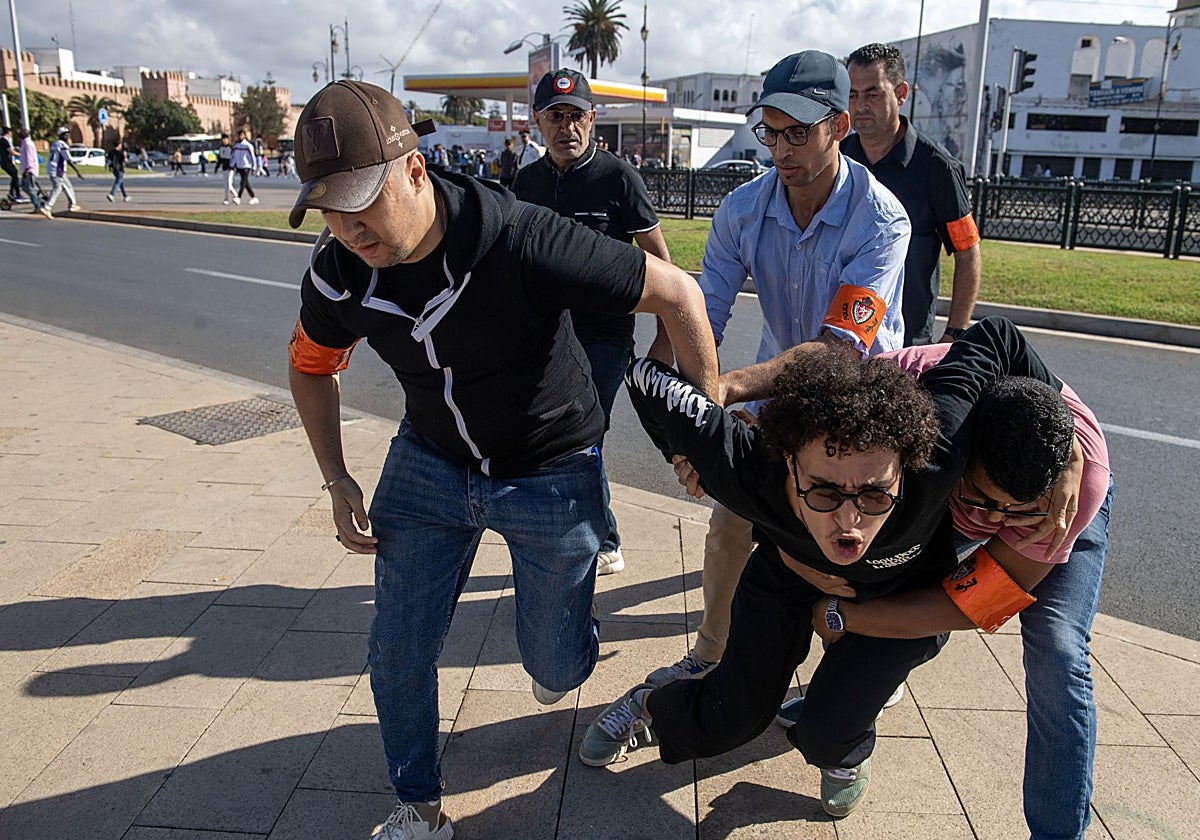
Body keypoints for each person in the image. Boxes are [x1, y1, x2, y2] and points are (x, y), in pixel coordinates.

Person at [284, 79, 719, 840]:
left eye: (361, 202)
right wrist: (336, 475)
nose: (348, 228)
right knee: (396, 647)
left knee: (554, 667)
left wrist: (705, 440)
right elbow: (311, 363)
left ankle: (570, 641)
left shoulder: (521, 236)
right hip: (430, 462)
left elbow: (681, 295)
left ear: (415, 171)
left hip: (550, 466)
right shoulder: (338, 271)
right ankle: (417, 804)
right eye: (329, 208)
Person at [581, 317, 1079, 820]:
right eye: (823, 491)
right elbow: (645, 378)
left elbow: (998, 336)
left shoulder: (939, 451)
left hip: (900, 591)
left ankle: (844, 751)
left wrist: (1071, 448)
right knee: (729, 720)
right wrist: (683, 449)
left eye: (874, 493)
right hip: (788, 575)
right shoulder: (749, 470)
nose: (849, 520)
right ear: (789, 464)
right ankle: (648, 704)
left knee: (828, 733)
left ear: (907, 464)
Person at [643, 50, 909, 688]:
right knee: (731, 523)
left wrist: (724, 390)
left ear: (839, 127)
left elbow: (841, 348)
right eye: (770, 130)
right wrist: (697, 424)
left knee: (857, 544)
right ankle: (709, 653)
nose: (782, 149)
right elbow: (701, 315)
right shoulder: (741, 210)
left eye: (799, 131)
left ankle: (863, 674)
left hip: (864, 401)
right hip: (776, 399)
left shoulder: (881, 219)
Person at [790, 341, 1112, 840]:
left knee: (1058, 649)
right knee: (867, 570)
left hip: (1058, 488)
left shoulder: (1071, 487)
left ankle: (1057, 834)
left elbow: (973, 604)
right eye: (984, 500)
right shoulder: (908, 398)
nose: (995, 522)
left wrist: (840, 616)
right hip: (934, 477)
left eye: (1014, 509)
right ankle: (856, 699)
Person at [514, 68, 674, 577]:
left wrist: (665, 330)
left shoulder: (617, 178)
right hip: (544, 333)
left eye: (576, 116)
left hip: (604, 334)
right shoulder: (528, 181)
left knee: (585, 434)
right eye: (555, 116)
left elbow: (660, 262)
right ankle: (585, 530)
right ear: (539, 122)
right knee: (553, 437)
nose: (567, 127)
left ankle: (599, 538)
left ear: (592, 118)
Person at [843, 43, 981, 346]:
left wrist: (954, 334)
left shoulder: (937, 168)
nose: (860, 105)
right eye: (852, 95)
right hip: (840, 338)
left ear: (901, 93)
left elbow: (968, 252)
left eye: (873, 93)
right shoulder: (837, 161)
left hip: (904, 344)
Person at [45, 127, 84, 214]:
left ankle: (72, 205)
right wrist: (77, 171)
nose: (68, 136)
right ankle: (48, 207)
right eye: (66, 134)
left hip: (52, 169)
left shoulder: (55, 144)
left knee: (67, 187)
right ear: (61, 135)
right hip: (57, 170)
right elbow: (68, 159)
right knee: (57, 188)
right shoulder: (62, 145)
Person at [18, 129, 50, 217]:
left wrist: (27, 170)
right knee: (25, 187)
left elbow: (29, 158)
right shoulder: (25, 143)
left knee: (29, 188)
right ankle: (38, 203)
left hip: (29, 170)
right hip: (27, 169)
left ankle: (39, 205)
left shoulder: (28, 144)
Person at [230, 130, 258, 205]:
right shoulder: (236, 146)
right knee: (245, 183)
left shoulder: (248, 146)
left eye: (242, 135)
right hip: (239, 166)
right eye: (239, 135)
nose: (240, 137)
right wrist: (232, 165)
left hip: (246, 166)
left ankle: (238, 197)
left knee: (242, 182)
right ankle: (253, 197)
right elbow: (233, 156)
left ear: (244, 136)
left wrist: (254, 167)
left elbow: (253, 157)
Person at [1, 126, 21, 203]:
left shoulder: (2, 140)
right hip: (6, 162)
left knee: (15, 176)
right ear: (9, 133)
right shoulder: (5, 141)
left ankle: (12, 193)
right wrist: (20, 154)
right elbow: (11, 151)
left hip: (5, 162)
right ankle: (15, 194)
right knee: (15, 176)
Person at [217, 133, 235, 203]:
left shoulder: (231, 148)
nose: (223, 140)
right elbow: (220, 159)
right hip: (224, 168)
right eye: (222, 139)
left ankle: (236, 195)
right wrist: (217, 167)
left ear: (228, 139)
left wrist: (233, 166)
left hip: (230, 168)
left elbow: (234, 158)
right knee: (226, 185)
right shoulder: (221, 148)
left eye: (225, 139)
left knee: (229, 184)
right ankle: (226, 198)